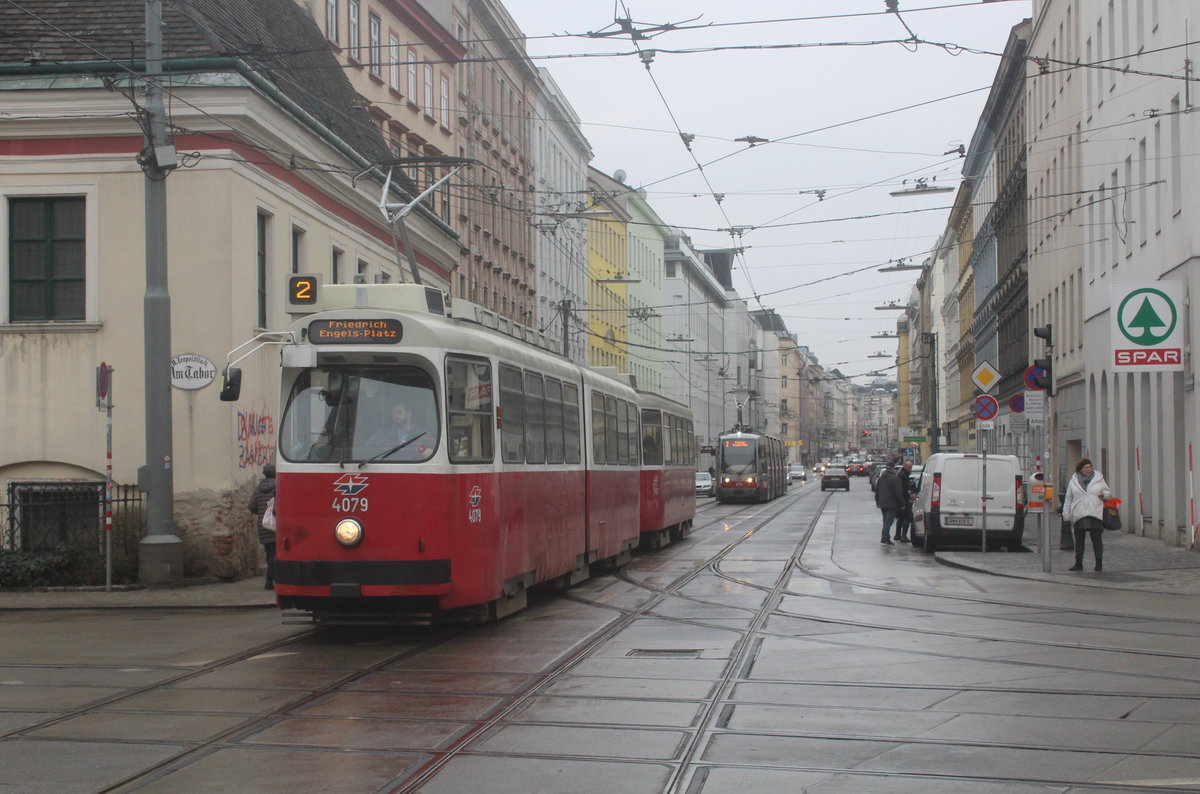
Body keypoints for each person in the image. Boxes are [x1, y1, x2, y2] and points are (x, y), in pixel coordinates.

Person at [1062, 458, 1111, 572]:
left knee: (1096, 539)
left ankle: (1099, 563)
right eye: (1086, 467)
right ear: (1080, 470)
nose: (1088, 469)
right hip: (1079, 513)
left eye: (1090, 467)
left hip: (1095, 512)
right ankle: (1078, 563)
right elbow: (1068, 498)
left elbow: (1108, 493)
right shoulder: (1073, 481)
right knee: (1079, 540)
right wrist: (1066, 515)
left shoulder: (1099, 479)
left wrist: (1104, 494)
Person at [248, 464, 277, 590]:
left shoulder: (258, 488)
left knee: (269, 552)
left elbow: (251, 506)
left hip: (263, 525)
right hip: (275, 525)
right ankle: (269, 581)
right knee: (275, 554)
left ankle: (270, 580)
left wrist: (261, 513)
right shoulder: (278, 486)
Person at [875, 463, 906, 546]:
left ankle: (885, 537)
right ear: (893, 468)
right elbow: (898, 493)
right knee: (888, 521)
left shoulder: (881, 478)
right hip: (892, 503)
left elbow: (877, 491)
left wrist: (878, 502)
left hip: (882, 503)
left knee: (886, 521)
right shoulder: (895, 479)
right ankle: (885, 538)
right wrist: (902, 504)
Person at [894, 459, 916, 542]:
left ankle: (897, 535)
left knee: (901, 517)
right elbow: (903, 489)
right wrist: (909, 495)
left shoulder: (901, 474)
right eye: (910, 467)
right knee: (907, 517)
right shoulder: (903, 475)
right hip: (903, 500)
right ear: (905, 466)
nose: (911, 469)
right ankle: (903, 536)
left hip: (900, 499)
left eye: (911, 467)